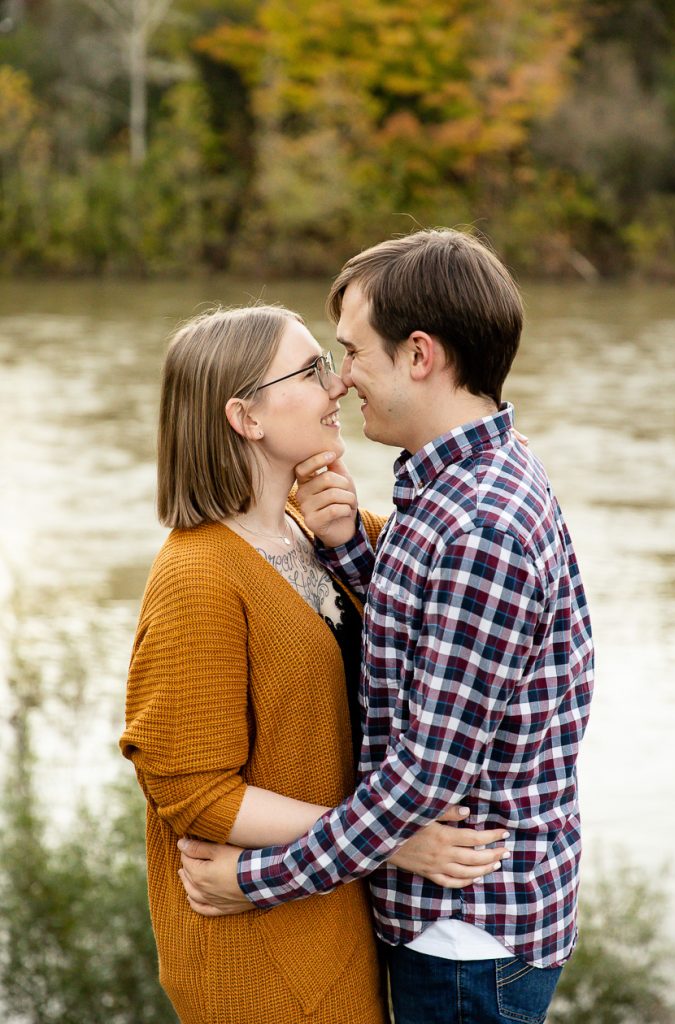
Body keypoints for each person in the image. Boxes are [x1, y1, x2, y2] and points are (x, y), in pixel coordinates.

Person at [178, 231, 595, 1024]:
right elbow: (430, 645)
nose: (340, 383)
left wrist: (252, 879)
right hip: (451, 922)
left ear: (418, 355)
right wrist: (349, 554)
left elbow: (425, 776)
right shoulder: (455, 481)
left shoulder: (478, 527)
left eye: (350, 353)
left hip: (464, 934)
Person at [120, 303, 509, 1024]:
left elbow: (441, 615)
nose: (336, 387)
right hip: (258, 956)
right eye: (311, 370)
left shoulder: (318, 531)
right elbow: (196, 796)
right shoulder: (197, 577)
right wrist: (390, 839)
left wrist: (342, 532)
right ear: (246, 417)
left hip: (332, 922)